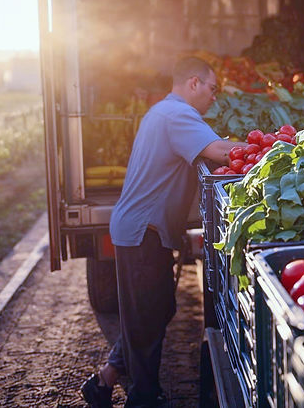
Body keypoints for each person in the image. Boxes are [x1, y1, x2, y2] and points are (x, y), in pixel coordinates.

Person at [81, 56, 236, 408]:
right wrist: (279, 147)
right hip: (142, 232)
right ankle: (144, 398)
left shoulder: (163, 112)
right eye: (212, 89)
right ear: (193, 83)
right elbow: (220, 151)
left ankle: (105, 380)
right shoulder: (177, 115)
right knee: (147, 315)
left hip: (144, 230)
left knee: (156, 309)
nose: (215, 97)